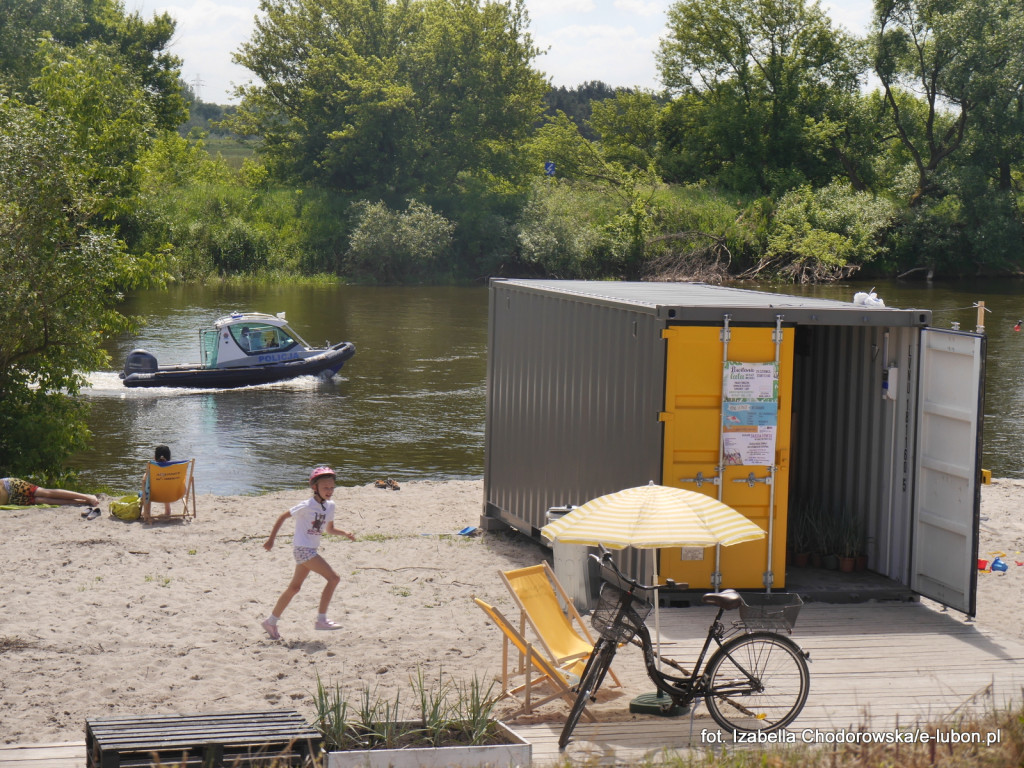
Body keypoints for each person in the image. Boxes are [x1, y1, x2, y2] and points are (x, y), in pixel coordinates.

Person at [261, 466, 356, 640]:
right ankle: (321, 619)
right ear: (315, 487)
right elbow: (282, 517)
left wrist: (345, 533)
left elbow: (330, 529)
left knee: (294, 588)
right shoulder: (306, 505)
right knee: (334, 578)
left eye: (332, 488)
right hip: (302, 550)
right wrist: (271, 540)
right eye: (325, 487)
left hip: (310, 550)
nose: (329, 491)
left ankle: (271, 621)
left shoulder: (330, 506)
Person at [0, 477, 99, 509]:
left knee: (46, 493)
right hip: (10, 500)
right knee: (42, 500)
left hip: (10, 486)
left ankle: (87, 497)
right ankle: (83, 502)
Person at [141, 445, 174, 519]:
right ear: (169, 457)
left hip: (154, 495)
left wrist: (144, 477)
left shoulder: (152, 468)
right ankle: (168, 510)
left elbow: (144, 482)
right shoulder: (174, 467)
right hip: (173, 493)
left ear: (155, 457)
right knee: (166, 485)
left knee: (146, 483)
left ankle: (147, 511)